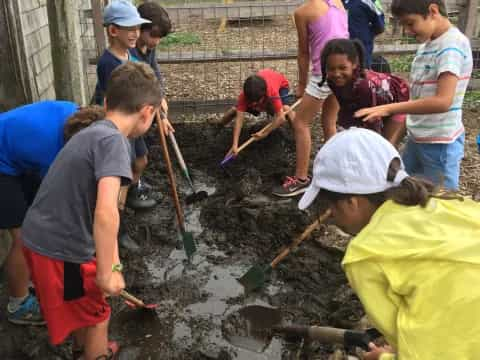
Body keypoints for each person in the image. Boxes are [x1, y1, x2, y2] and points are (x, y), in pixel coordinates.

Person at [298, 127, 480, 360]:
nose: (331, 215)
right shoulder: (449, 205)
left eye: (332, 208)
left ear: (352, 202)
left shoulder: (366, 254)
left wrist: (385, 357)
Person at [22, 61, 163, 360]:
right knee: (99, 314)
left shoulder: (94, 131)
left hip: (40, 238)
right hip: (63, 249)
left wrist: (109, 260)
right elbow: (107, 211)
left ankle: (81, 350)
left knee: (79, 304)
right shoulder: (115, 142)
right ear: (147, 112)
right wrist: (109, 269)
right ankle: (95, 353)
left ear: (108, 102)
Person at [0, 101, 104, 326]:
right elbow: (62, 204)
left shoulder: (77, 116)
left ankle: (33, 276)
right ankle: (18, 305)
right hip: (2, 164)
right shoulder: (55, 154)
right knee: (26, 237)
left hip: (16, 156)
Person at [355, 0, 473, 190]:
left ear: (433, 11)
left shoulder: (451, 46)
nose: (408, 31)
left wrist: (388, 108)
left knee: (441, 201)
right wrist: (392, 143)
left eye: (410, 23)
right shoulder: (427, 45)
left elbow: (443, 102)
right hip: (418, 137)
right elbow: (416, 102)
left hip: (440, 142)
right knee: (406, 189)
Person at [272, 0, 349, 197]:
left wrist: (302, 84)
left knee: (300, 123)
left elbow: (304, 53)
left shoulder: (303, 12)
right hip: (344, 71)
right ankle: (334, 171)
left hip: (323, 74)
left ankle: (301, 179)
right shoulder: (338, 3)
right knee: (329, 122)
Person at [93, 0, 164, 211]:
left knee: (141, 161)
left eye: (137, 28)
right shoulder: (108, 63)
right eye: (130, 29)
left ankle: (133, 190)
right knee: (121, 174)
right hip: (119, 127)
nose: (135, 33)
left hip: (133, 121)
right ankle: (119, 213)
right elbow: (114, 101)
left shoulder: (130, 54)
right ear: (113, 30)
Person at [319, 38, 409, 146]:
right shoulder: (332, 81)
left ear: (354, 64)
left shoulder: (363, 86)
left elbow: (373, 121)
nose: (337, 73)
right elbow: (346, 110)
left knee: (385, 149)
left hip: (399, 103)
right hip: (376, 105)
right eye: (331, 69)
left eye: (342, 68)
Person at [222, 69, 295, 158]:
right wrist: (235, 144)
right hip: (262, 95)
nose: (253, 104)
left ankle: (298, 136)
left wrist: (266, 132)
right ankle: (218, 126)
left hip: (281, 87)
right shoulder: (244, 96)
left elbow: (281, 118)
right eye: (251, 102)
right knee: (234, 111)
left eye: (256, 102)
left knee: (286, 109)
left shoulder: (271, 91)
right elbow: (239, 119)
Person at [343, 0, 385, 68]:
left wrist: (366, 35)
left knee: (361, 75)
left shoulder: (369, 2)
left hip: (360, 52)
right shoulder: (335, 2)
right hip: (338, 52)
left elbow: (380, 26)